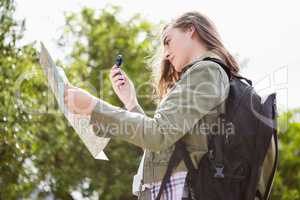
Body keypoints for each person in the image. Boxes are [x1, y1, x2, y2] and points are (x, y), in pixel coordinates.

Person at [64, 11, 275, 200]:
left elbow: (157, 135)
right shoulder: (206, 74)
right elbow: (161, 145)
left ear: (190, 29)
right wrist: (131, 102)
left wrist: (92, 106)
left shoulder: (207, 72)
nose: (165, 52)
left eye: (168, 41)